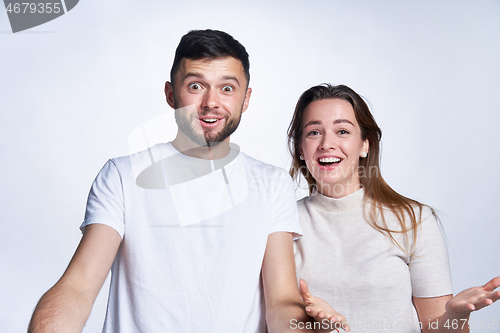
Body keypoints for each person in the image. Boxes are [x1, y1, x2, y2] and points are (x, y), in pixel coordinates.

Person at [28, 30, 325, 333]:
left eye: (227, 88)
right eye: (195, 86)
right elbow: (78, 288)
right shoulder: (123, 176)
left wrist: (310, 328)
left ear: (245, 99)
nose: (211, 102)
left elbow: (281, 301)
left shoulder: (272, 185)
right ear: (171, 94)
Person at [287, 84, 500, 332]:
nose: (327, 144)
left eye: (342, 131)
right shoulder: (282, 223)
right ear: (301, 148)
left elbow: (438, 327)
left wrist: (455, 315)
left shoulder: (412, 219)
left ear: (365, 145)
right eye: (314, 133)